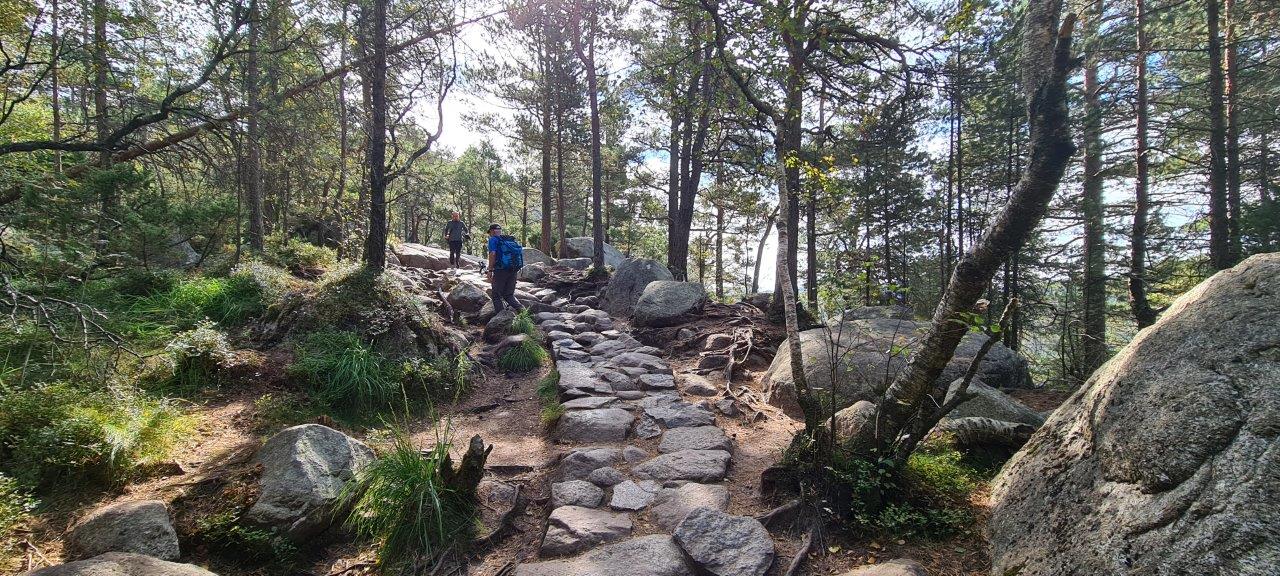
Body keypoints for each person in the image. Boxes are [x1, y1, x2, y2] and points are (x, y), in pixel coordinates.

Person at [486, 224, 524, 312]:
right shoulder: (509, 240)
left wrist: (490, 270)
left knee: (496, 295)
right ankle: (524, 313)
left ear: (492, 231)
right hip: (513, 268)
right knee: (509, 295)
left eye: (490, 233)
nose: (490, 235)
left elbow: (493, 254)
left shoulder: (493, 240)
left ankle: (501, 318)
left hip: (501, 269)